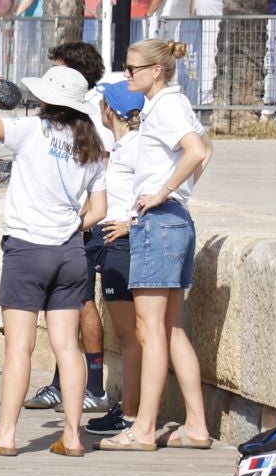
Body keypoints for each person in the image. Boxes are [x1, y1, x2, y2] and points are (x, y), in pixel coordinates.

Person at [0, 62, 108, 457]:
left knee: (19, 348)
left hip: (27, 249)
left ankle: (7, 435)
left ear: (46, 99)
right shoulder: (92, 143)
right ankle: (74, 436)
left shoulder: (31, 130)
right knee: (67, 347)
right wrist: (69, 225)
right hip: (70, 252)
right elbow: (99, 208)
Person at [101, 38, 212, 452]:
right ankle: (197, 425)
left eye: (132, 68)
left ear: (156, 71)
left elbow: (197, 150)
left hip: (159, 222)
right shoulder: (170, 105)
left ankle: (143, 428)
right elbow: (205, 151)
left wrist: (164, 191)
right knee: (171, 328)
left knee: (150, 331)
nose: (127, 74)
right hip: (173, 223)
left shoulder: (165, 106)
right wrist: (181, 190)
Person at [20, 41, 114, 415]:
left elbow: (98, 179)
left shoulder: (89, 120)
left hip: (80, 226)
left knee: (82, 304)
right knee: (66, 309)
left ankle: (93, 385)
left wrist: (78, 223)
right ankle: (63, 384)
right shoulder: (69, 116)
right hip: (67, 226)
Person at [86, 77, 147, 437]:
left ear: (110, 109)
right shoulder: (123, 146)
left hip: (121, 245)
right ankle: (129, 409)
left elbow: (162, 188)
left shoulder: (137, 147)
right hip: (112, 242)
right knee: (131, 335)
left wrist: (130, 223)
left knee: (131, 337)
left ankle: (131, 412)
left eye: (102, 103)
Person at [192, 0, 226, 102]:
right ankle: (200, 97)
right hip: (198, 24)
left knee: (210, 62)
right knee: (198, 62)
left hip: (217, 25)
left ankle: (206, 100)